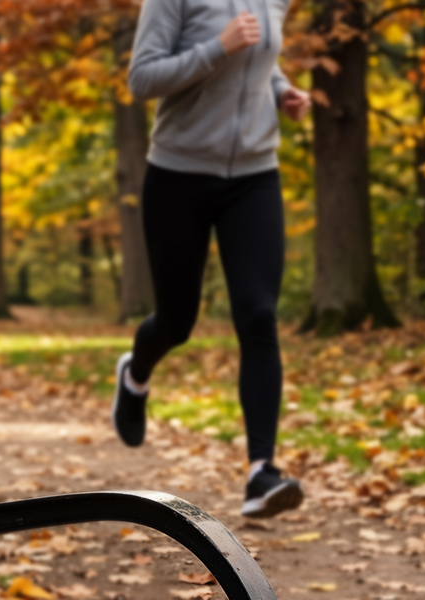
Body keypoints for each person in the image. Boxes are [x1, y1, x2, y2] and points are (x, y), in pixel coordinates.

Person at [114, 0, 311, 518]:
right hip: (178, 175)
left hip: (254, 175)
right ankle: (136, 375)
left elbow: (259, 64)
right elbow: (142, 78)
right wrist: (216, 48)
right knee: (177, 322)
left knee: (259, 313)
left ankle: (260, 473)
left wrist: (281, 91)